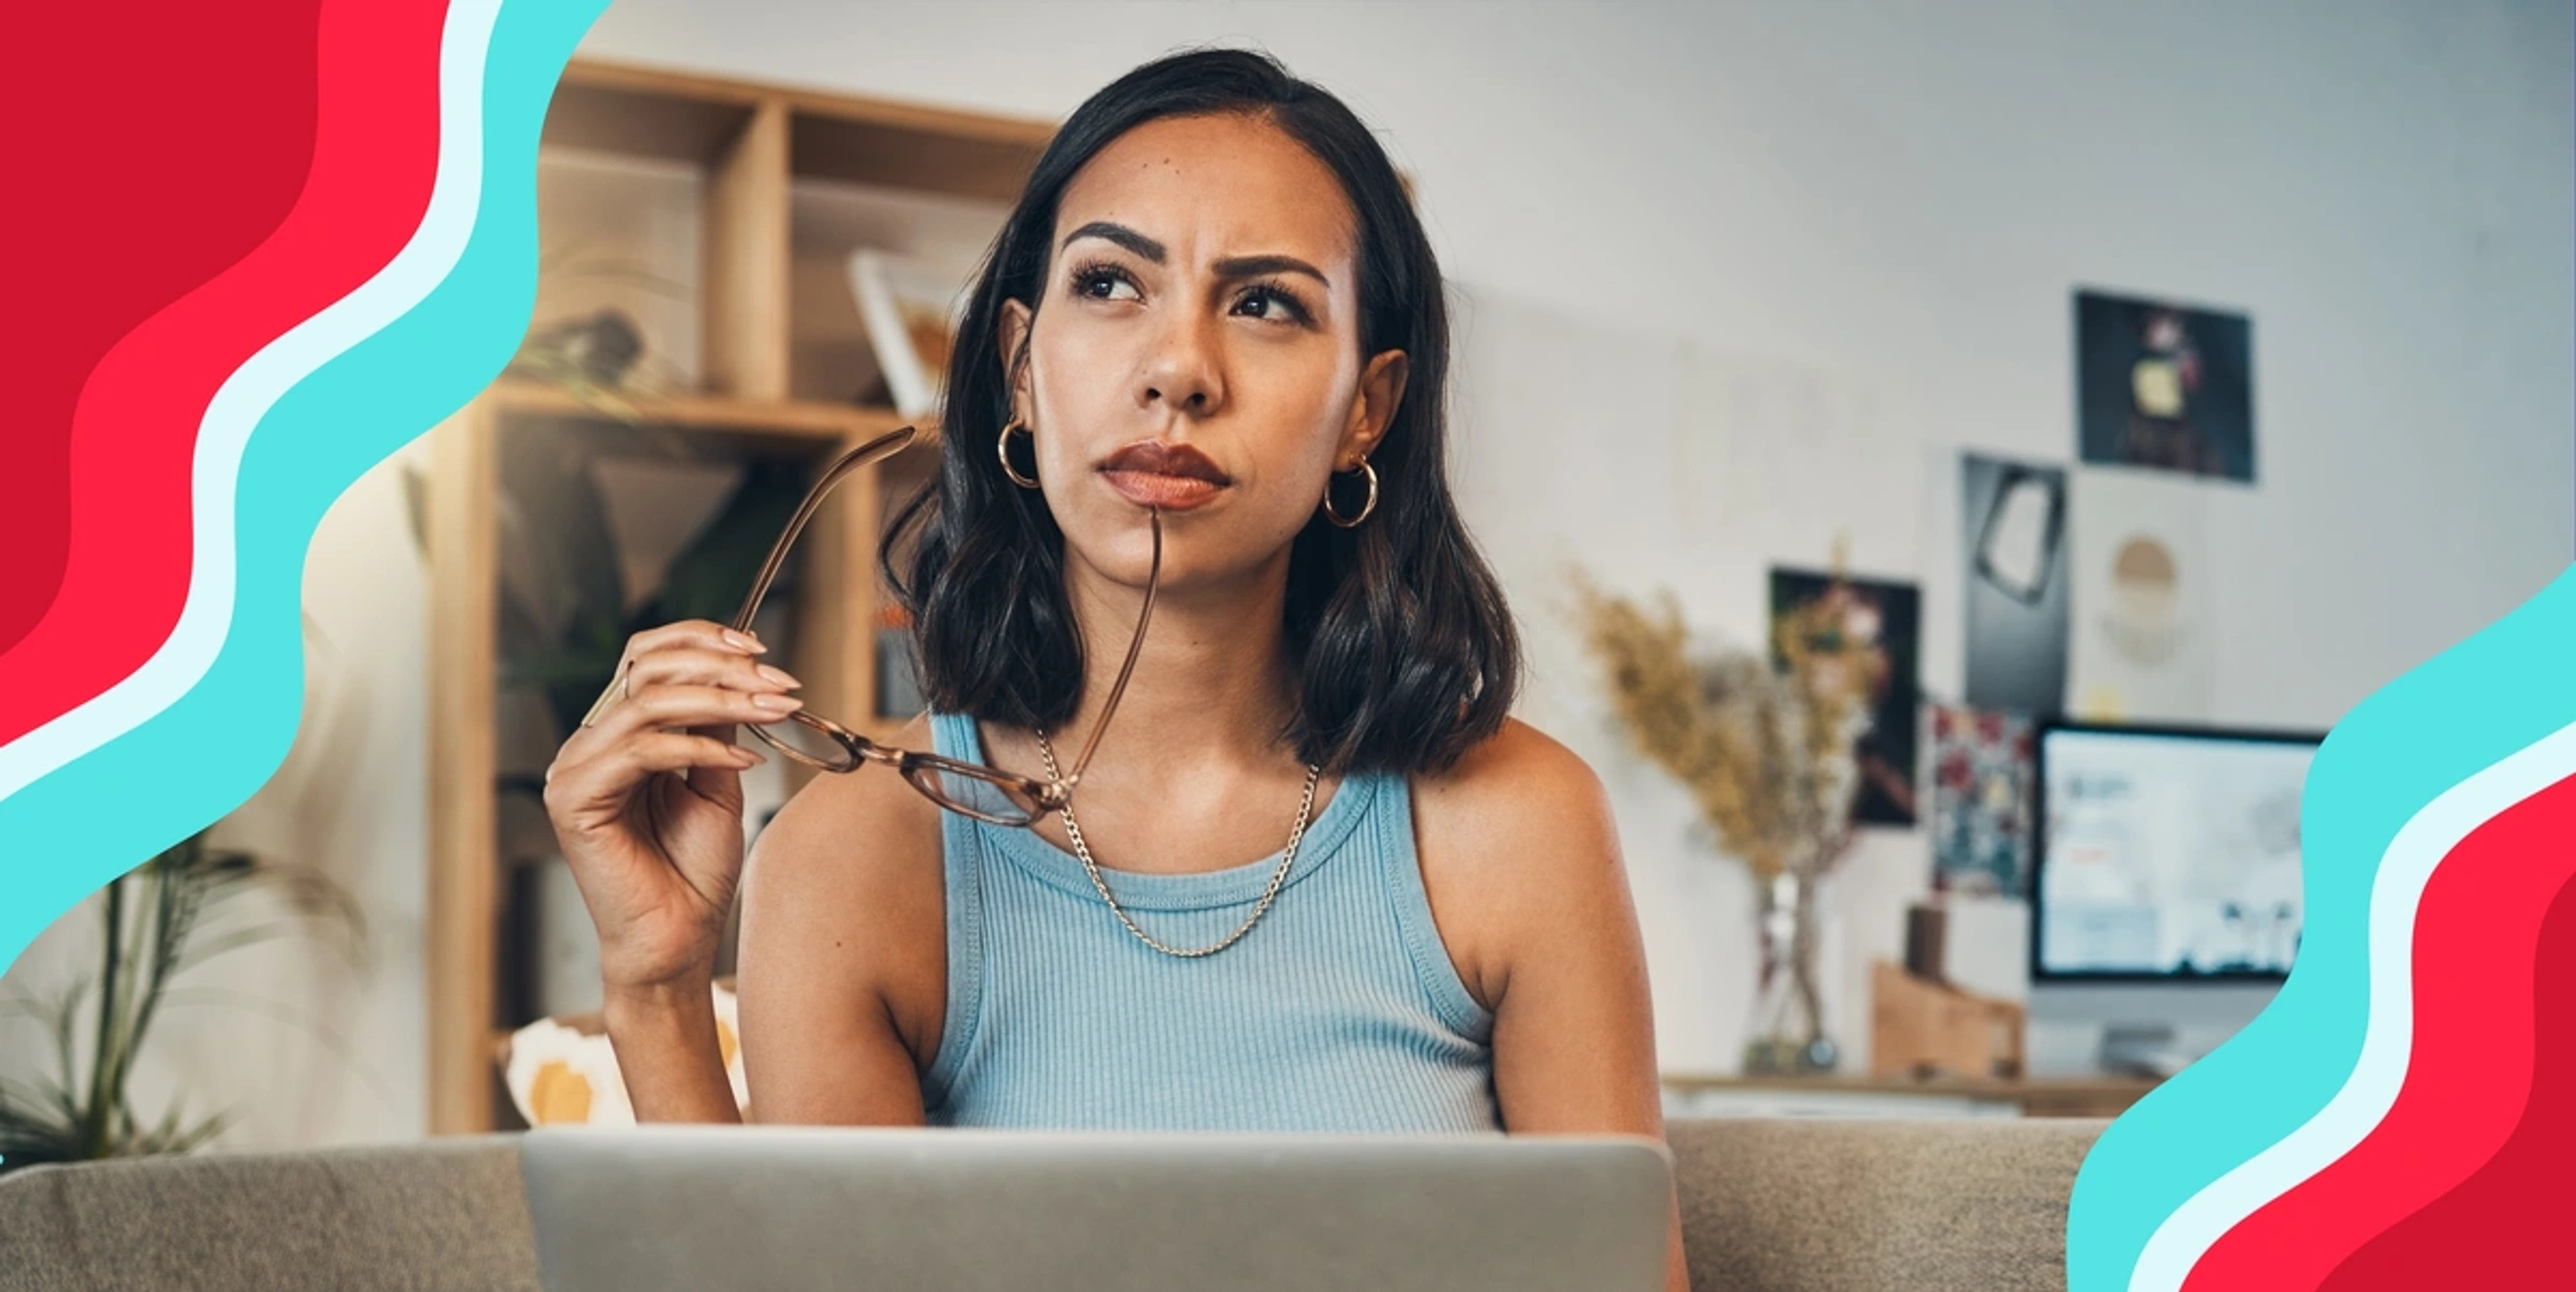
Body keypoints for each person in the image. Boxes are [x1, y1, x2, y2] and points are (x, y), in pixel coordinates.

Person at [541, 46, 1688, 1290]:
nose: (1178, 369)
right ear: (1022, 367)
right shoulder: (857, 859)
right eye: (1110, 283)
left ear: (1370, 405)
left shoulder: (1518, 828)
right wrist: (657, 989)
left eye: (1265, 304)